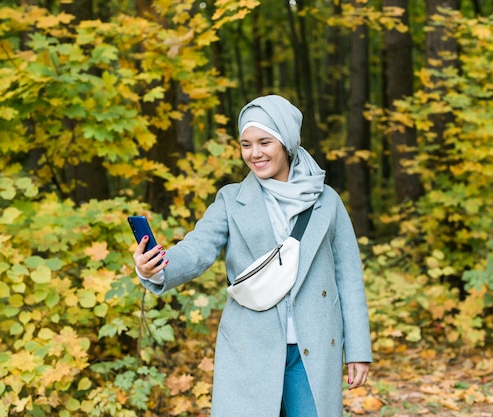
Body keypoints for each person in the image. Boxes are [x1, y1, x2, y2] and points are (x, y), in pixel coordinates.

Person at [133, 95, 372, 417]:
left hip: (315, 344)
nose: (254, 153)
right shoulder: (232, 199)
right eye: (246, 144)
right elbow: (198, 248)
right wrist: (158, 268)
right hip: (250, 344)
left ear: (286, 142)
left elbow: (349, 277)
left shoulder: (326, 200)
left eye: (264, 142)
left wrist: (358, 349)